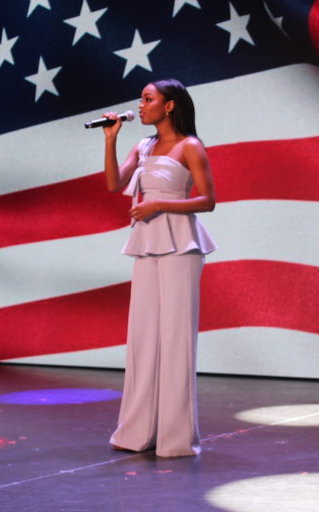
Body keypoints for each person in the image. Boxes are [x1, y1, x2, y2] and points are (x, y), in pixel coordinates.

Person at [101, 78, 217, 457]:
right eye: (142, 99)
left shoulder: (190, 146)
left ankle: (174, 438)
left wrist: (160, 205)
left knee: (176, 338)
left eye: (148, 99)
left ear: (169, 105)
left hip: (180, 244)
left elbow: (208, 200)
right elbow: (114, 184)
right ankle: (137, 432)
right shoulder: (143, 145)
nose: (141, 104)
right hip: (147, 244)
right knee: (143, 336)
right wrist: (110, 138)